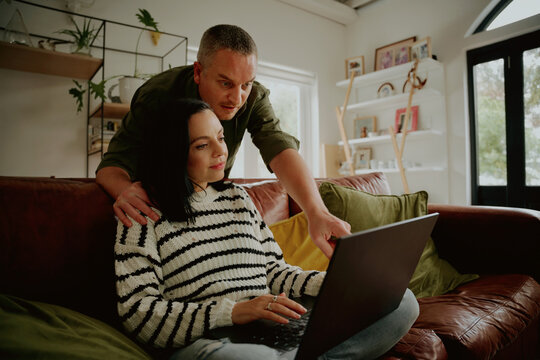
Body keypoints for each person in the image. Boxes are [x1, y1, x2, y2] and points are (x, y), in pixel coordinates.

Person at [114, 98, 419, 359]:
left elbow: (273, 272)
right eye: (202, 145)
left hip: (271, 326)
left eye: (221, 137)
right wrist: (231, 312)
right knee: (254, 357)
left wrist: (336, 285)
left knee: (400, 301)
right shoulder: (142, 214)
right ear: (173, 153)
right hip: (210, 341)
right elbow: (138, 313)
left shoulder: (237, 198)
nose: (220, 152)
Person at [98, 24, 349, 259]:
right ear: (198, 72)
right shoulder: (158, 95)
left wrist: (317, 213)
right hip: (156, 211)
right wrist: (126, 192)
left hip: (208, 204)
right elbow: (112, 166)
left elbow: (279, 148)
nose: (237, 98)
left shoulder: (253, 97)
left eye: (246, 85)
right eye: (226, 83)